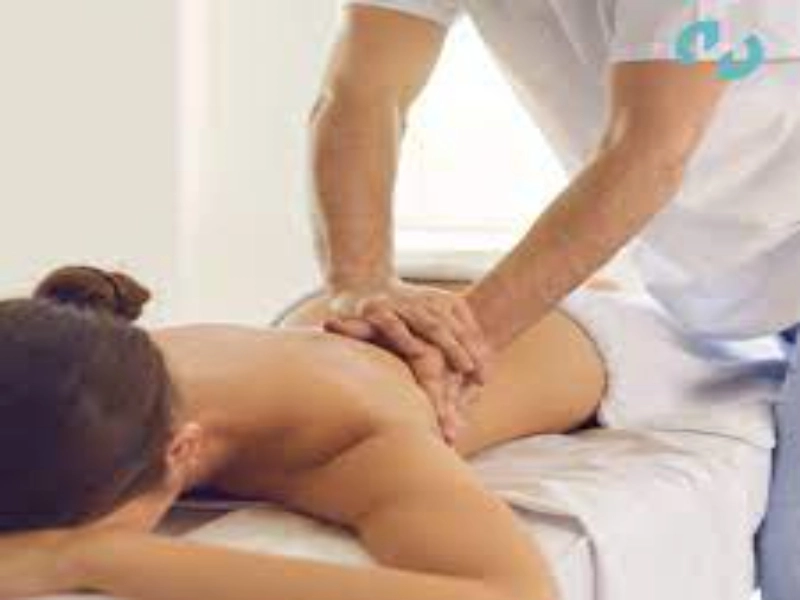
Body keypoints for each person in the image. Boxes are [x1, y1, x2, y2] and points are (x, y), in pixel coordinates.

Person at [310, 6, 800, 596]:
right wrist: (360, 283)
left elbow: (649, 153)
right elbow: (362, 90)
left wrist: (459, 347)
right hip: (721, 289)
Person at [0, 264, 781, 599]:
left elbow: (510, 595)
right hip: (377, 300)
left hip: (626, 341)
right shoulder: (88, 365)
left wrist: (88, 555)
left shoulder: (353, 440)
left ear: (182, 451)